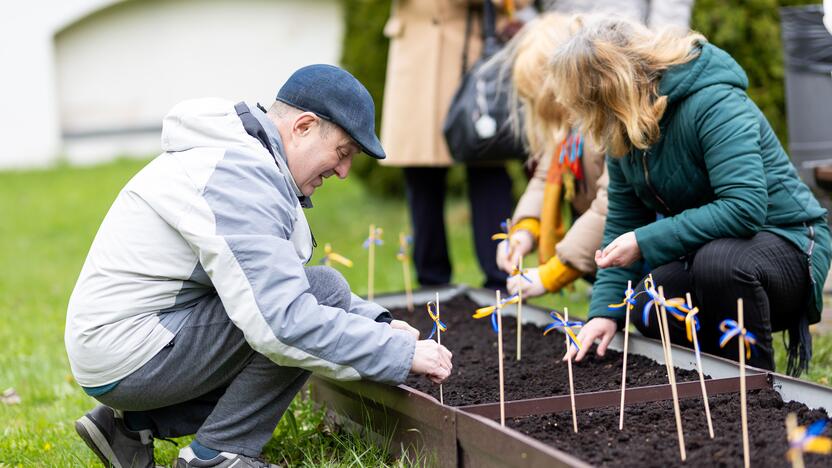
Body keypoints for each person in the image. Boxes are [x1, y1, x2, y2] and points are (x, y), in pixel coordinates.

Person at [65, 65, 453, 468]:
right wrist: (398, 352)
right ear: (303, 126)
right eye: (342, 153)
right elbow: (281, 321)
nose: (343, 171)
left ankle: (131, 428)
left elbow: (275, 283)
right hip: (130, 351)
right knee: (306, 309)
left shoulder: (239, 157)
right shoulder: (239, 176)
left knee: (318, 294)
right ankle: (219, 455)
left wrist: (378, 323)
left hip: (120, 345)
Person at [550, 17, 831, 375]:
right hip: (715, 252)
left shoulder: (714, 102)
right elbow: (623, 221)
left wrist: (644, 240)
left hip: (789, 243)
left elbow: (744, 208)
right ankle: (703, 385)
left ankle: (756, 388)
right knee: (652, 298)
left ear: (609, 87)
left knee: (719, 263)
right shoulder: (623, 131)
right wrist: (604, 313)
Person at [380, 0, 517, 290]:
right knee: (420, 172)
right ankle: (431, 282)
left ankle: (501, 278)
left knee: (488, 167)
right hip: (415, 52)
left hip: (475, 49)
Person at [496, 13, 608, 298]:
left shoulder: (606, 122)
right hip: (600, 246)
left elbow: (611, 205)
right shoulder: (568, 127)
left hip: (636, 238)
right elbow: (545, 176)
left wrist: (553, 273)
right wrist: (524, 230)